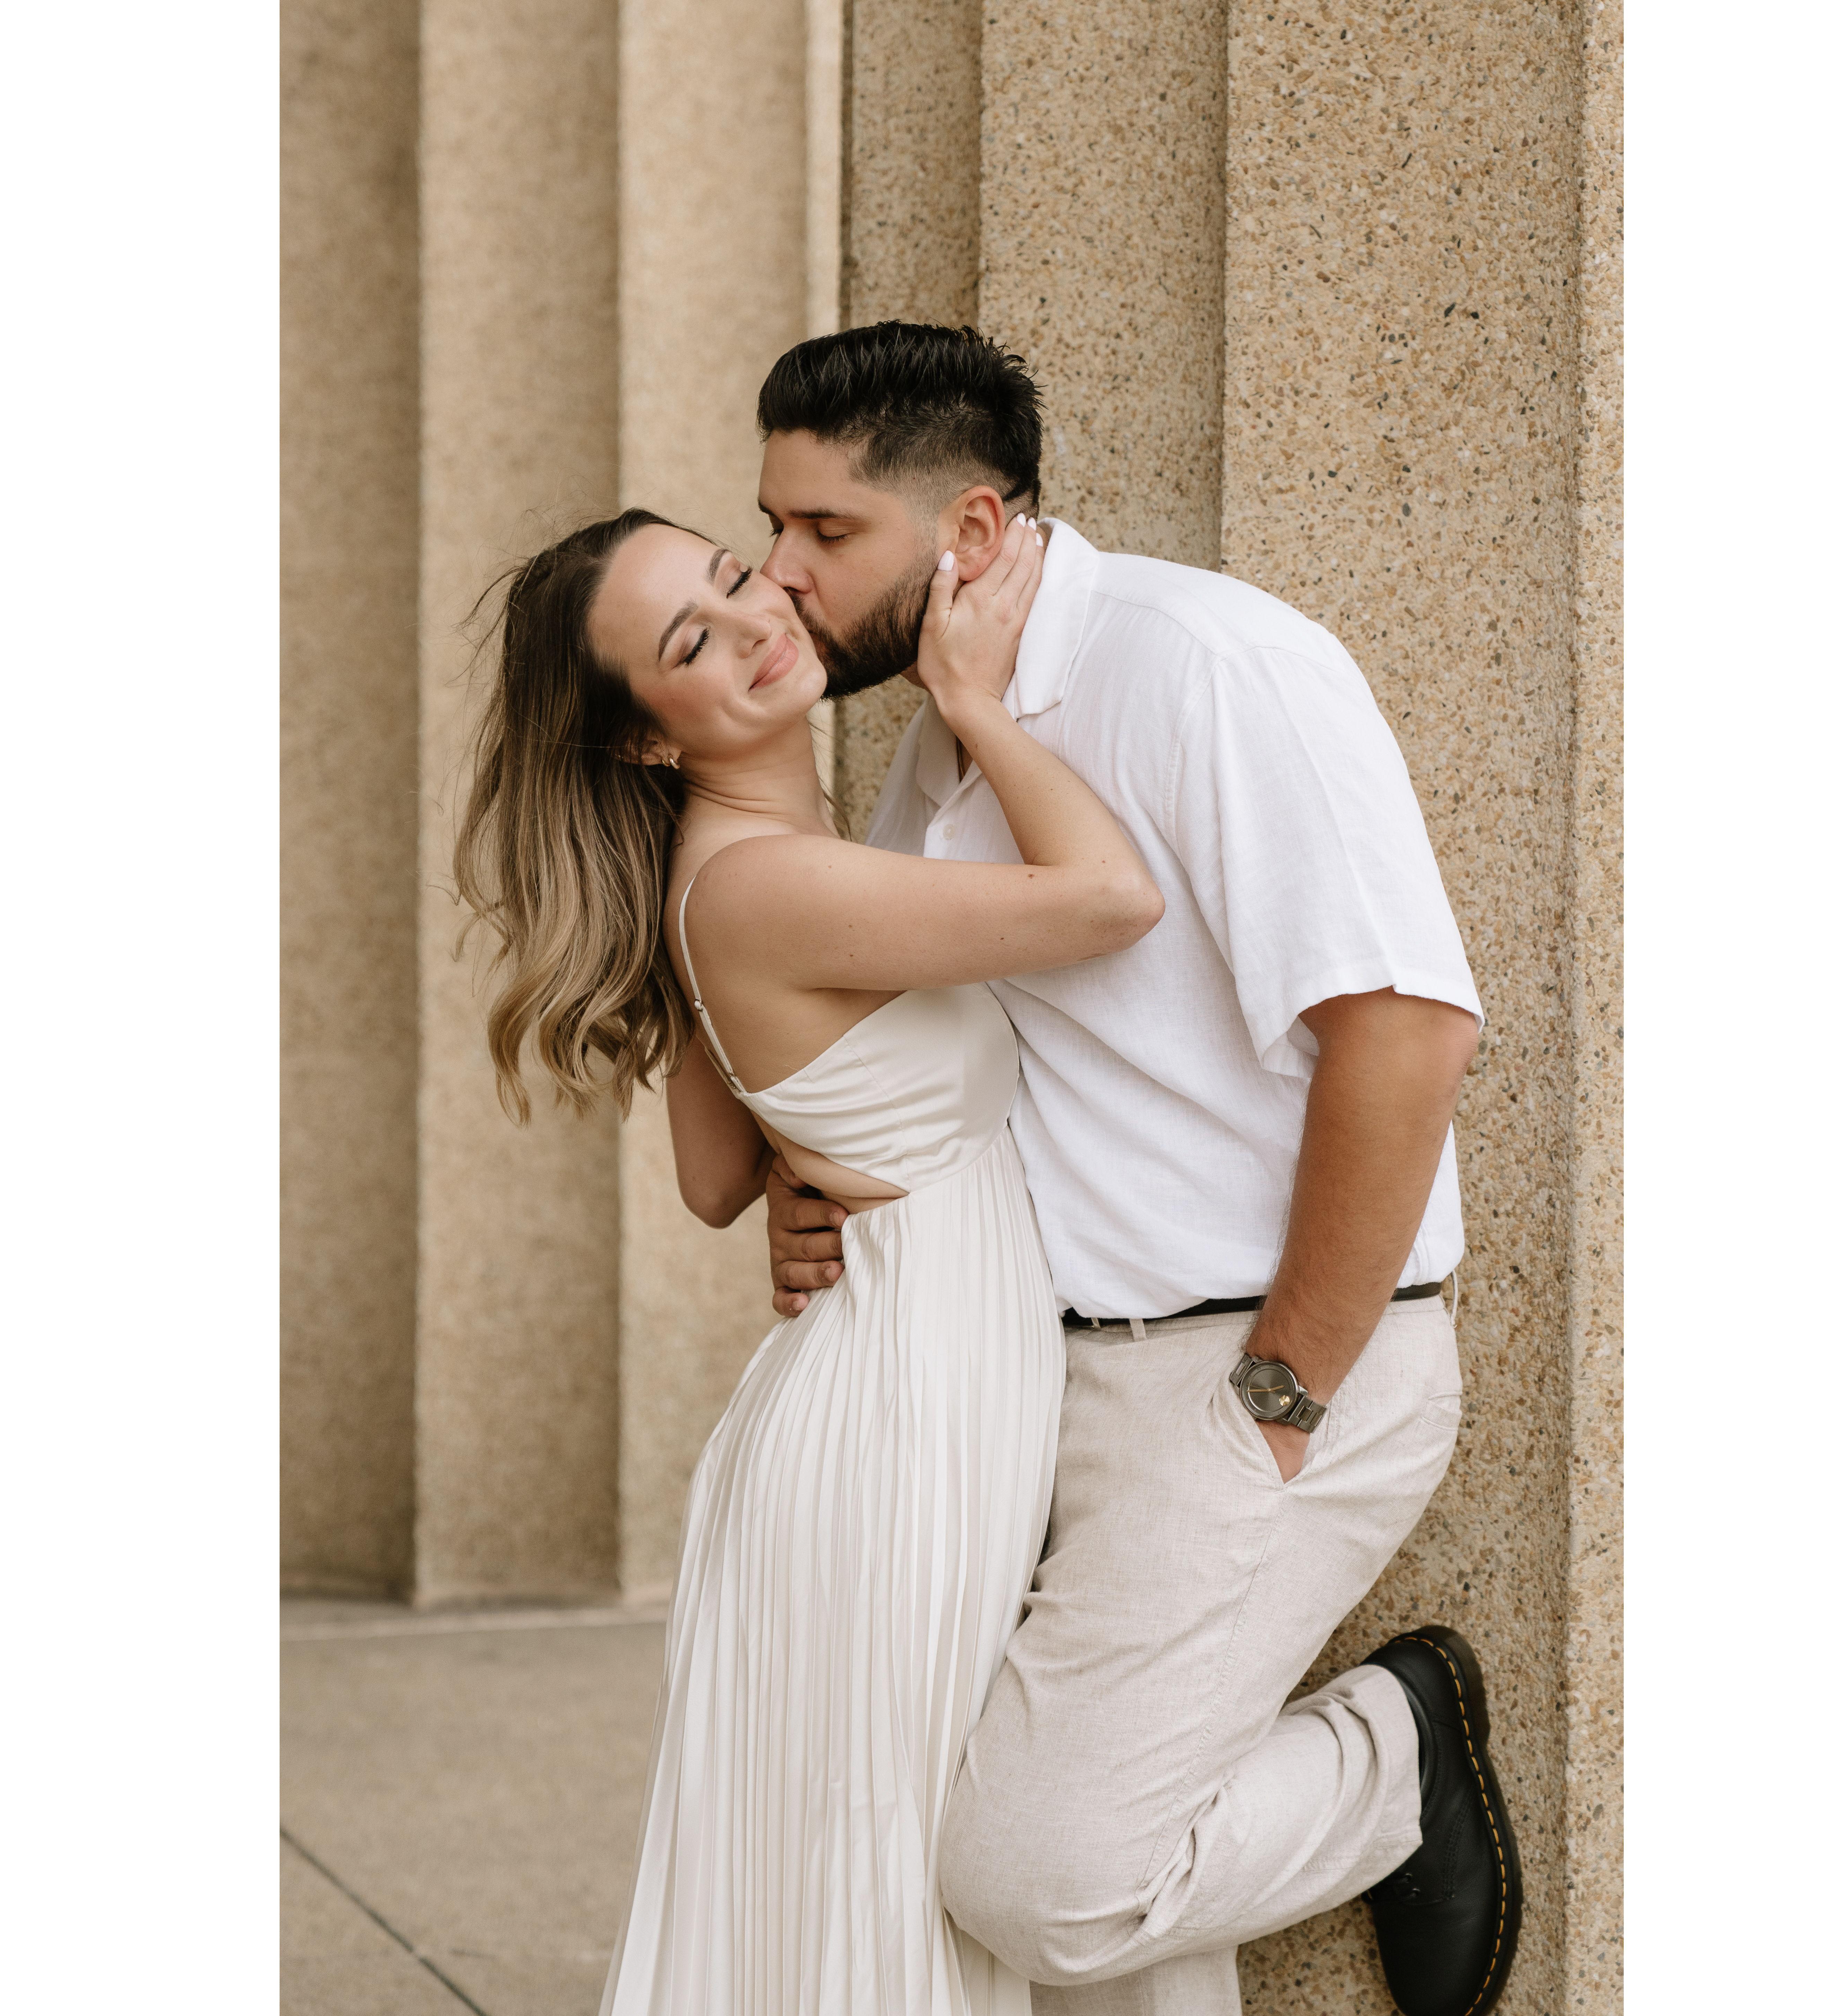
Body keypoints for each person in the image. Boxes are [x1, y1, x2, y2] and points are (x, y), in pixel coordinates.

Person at [756, 323, 1522, 2016]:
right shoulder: (934, 742)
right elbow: (954, 1058)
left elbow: (1406, 1034)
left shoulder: (1210, 667)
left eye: (826, 531)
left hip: (1255, 1364)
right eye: (775, 524)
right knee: (1068, 1936)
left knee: (1048, 1880)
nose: (783, 572)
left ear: (969, 530)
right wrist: (820, 1189)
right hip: (1033, 1381)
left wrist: (1281, 1396)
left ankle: (1395, 1752)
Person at [453, 503, 1163, 2014]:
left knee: (872, 1865)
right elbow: (1112, 899)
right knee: (890, 1866)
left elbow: (718, 1177)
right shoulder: (766, 881)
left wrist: (817, 1158)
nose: (758, 624)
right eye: (692, 642)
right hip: (906, 1413)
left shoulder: (735, 868)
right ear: (647, 736)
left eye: (732, 579)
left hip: (893, 1379)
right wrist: (973, 699)